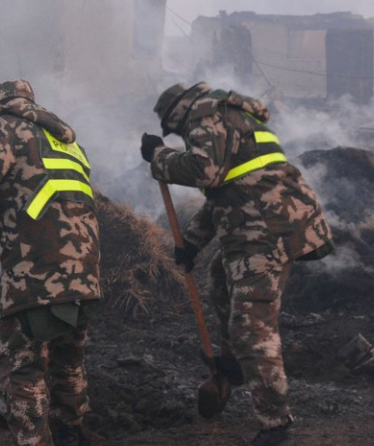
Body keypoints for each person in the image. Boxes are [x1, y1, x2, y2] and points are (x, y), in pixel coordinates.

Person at [141, 82, 334, 446]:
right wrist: (193, 243)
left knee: (251, 327)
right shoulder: (221, 116)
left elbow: (204, 172)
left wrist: (159, 156)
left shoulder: (204, 116)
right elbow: (226, 191)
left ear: (176, 115)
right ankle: (233, 365)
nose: (179, 136)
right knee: (219, 274)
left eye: (174, 131)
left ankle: (276, 426)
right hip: (257, 223)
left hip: (267, 230)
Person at [0, 79, 101, 446]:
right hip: (86, 272)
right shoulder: (68, 141)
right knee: (68, 362)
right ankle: (73, 434)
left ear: (1, 103)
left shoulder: (6, 128)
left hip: (35, 273)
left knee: (24, 372)